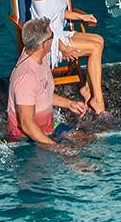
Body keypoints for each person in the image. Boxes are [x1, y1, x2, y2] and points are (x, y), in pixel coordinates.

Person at [28, 0, 108, 114]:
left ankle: (88, 89)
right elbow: (44, 26)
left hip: (59, 33)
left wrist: (82, 17)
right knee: (94, 48)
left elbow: (58, 13)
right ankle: (98, 100)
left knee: (99, 40)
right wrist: (63, 48)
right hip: (47, 41)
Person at [7, 17, 88, 146]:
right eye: (52, 36)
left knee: (87, 140)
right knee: (73, 155)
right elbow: (27, 124)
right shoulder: (26, 78)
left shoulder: (40, 57)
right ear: (44, 45)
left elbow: (42, 94)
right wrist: (55, 147)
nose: (54, 39)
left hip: (49, 127)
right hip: (26, 138)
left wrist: (69, 104)